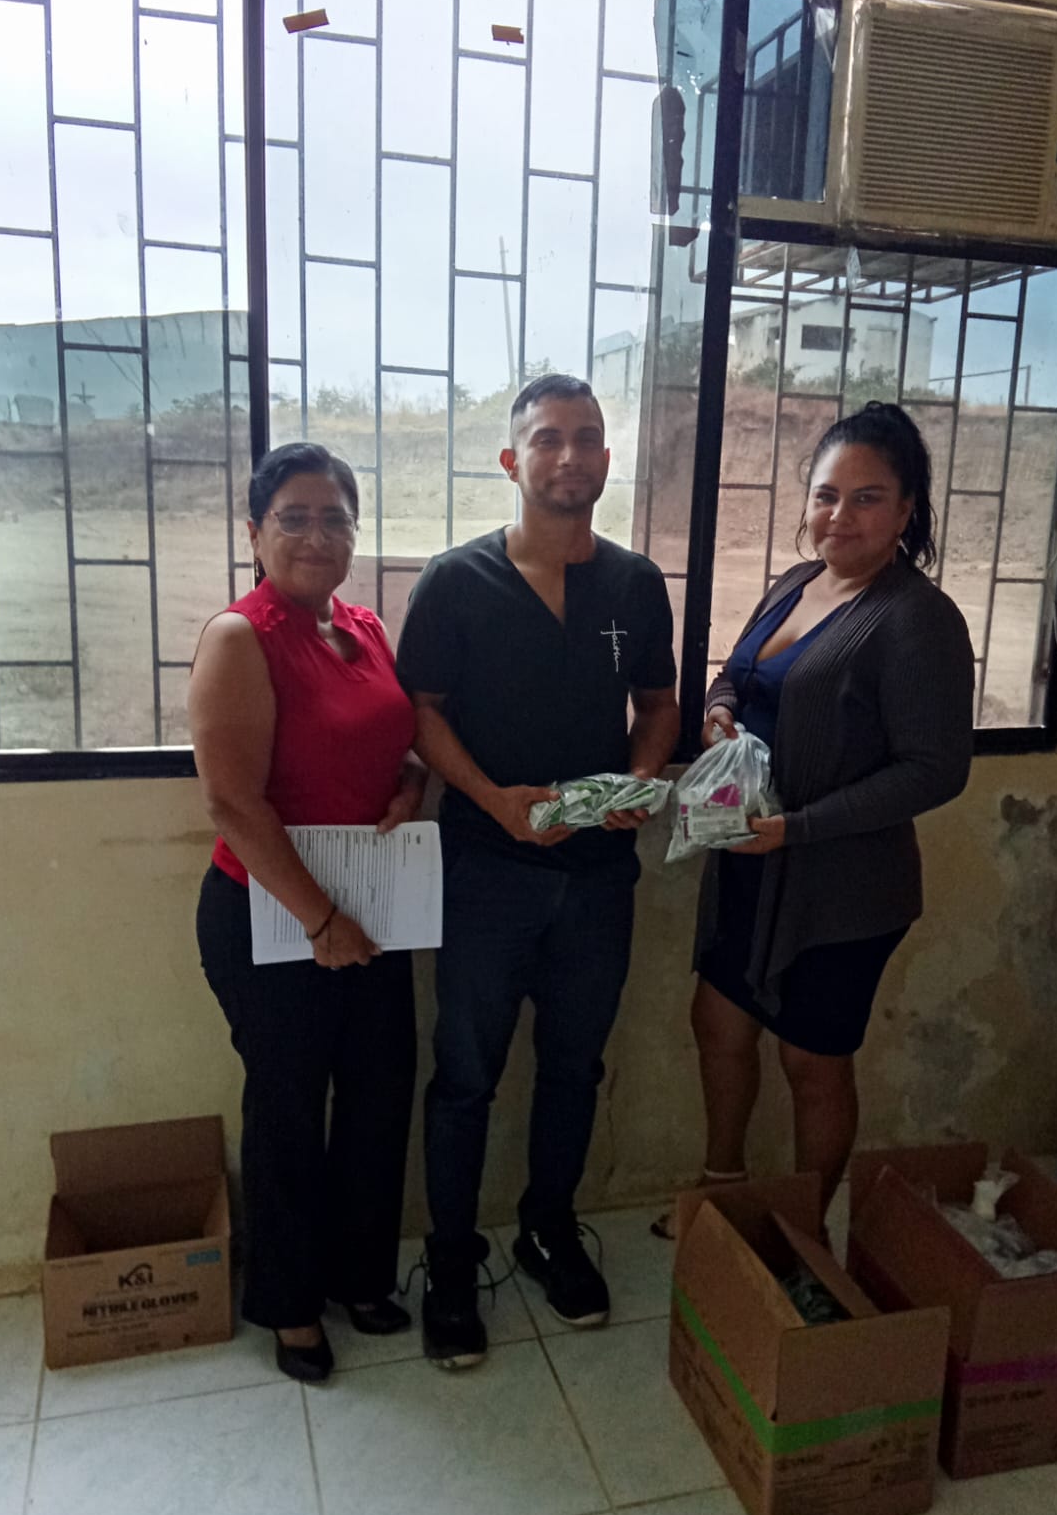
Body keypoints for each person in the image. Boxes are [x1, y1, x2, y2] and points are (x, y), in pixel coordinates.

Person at [396, 374, 680, 1369]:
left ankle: (549, 1228)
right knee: (465, 1075)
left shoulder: (635, 585)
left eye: (588, 437)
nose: (571, 455)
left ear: (606, 458)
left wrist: (641, 777)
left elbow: (658, 704)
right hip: (486, 874)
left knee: (574, 1065)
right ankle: (450, 1260)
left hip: (599, 878)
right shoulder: (455, 581)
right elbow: (421, 712)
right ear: (512, 460)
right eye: (549, 438)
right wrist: (490, 798)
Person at [654, 402, 973, 1239]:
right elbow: (735, 674)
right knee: (718, 1022)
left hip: (842, 889)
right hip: (750, 858)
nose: (840, 516)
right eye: (827, 495)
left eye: (868, 498)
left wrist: (800, 827)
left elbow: (937, 769)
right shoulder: (795, 583)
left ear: (907, 511)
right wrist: (719, 711)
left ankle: (804, 1231)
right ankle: (721, 1189)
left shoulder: (918, 618)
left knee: (811, 1061)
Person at [190, 442, 425, 1383]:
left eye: (335, 518)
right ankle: (289, 1303)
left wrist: (410, 786)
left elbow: (395, 742)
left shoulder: (363, 626)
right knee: (288, 1107)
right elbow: (232, 801)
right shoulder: (240, 637)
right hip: (271, 913)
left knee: (379, 1094)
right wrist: (320, 922)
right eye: (293, 518)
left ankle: (359, 1275)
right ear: (255, 533)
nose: (316, 536)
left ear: (355, 534)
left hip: (369, 902)